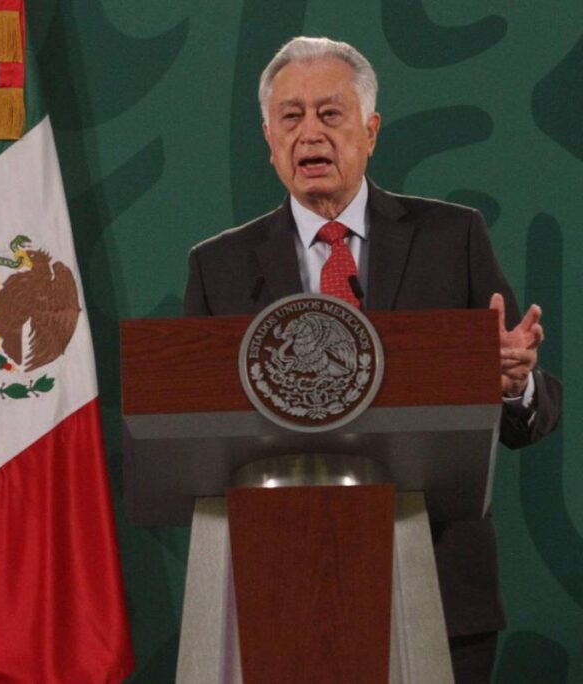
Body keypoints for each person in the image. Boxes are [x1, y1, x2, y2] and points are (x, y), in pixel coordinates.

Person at [185, 37, 562, 683]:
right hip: (279, 586)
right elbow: (192, 427)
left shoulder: (452, 238)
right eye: (291, 117)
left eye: (330, 114)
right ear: (269, 139)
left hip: (439, 586)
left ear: (371, 130)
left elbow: (529, 417)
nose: (310, 133)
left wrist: (512, 382)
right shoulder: (218, 266)